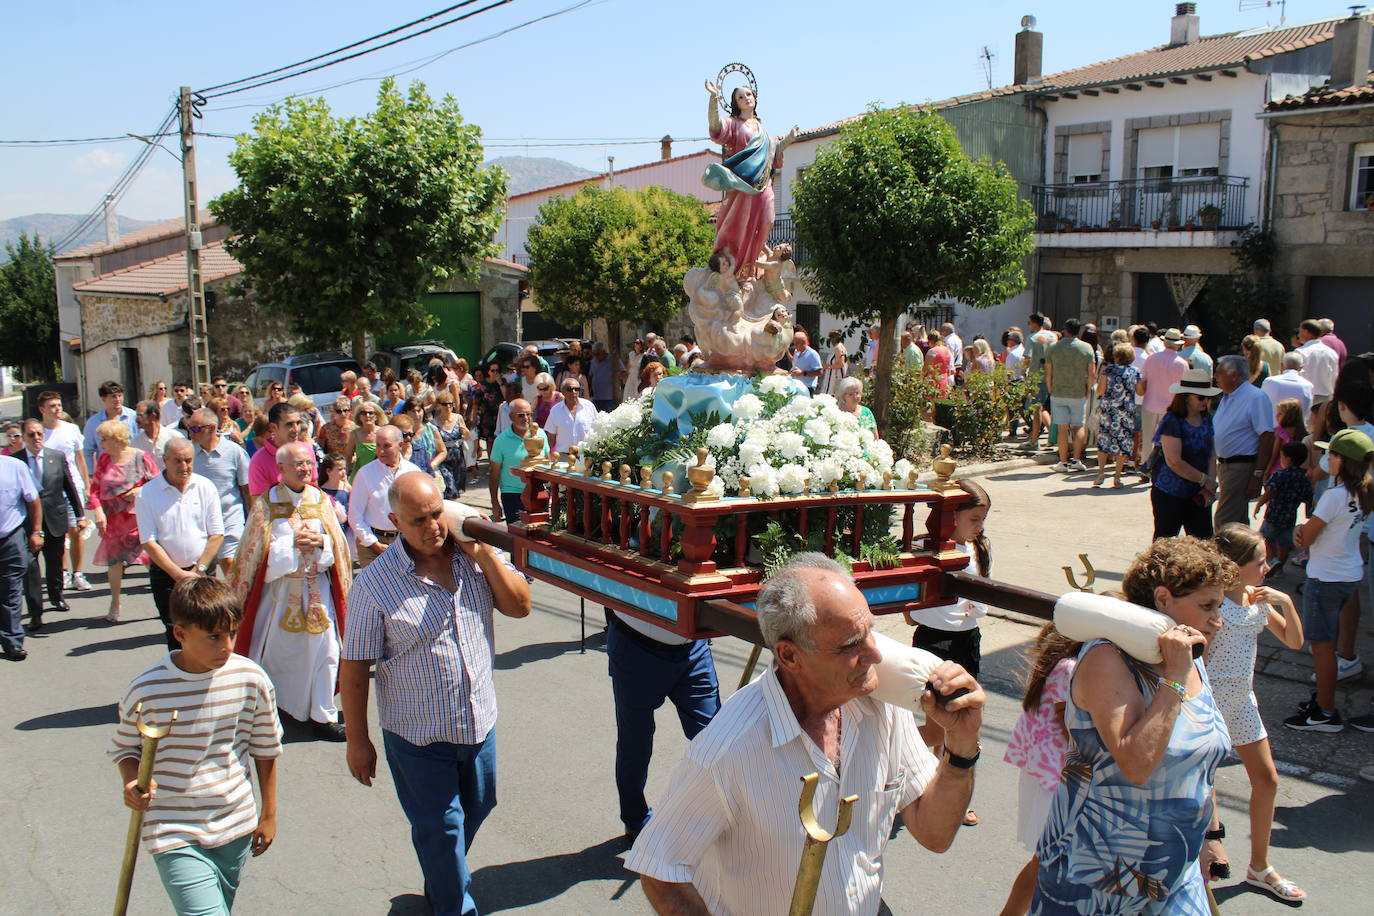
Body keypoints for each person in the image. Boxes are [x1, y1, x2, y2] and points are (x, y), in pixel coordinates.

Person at [627, 552, 984, 915]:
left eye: (870, 632)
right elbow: (660, 871)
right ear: (790, 656)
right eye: (850, 645)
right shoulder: (729, 750)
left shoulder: (880, 706)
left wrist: (962, 746)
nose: (874, 654)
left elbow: (934, 834)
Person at [341, 472, 530, 916]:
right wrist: (357, 739)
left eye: (436, 514)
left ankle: (441, 874)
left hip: (478, 725)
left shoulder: (473, 553)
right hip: (417, 738)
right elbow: (353, 670)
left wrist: (483, 554)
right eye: (418, 520)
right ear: (394, 522)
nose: (432, 527)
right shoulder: (375, 585)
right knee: (442, 830)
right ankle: (452, 901)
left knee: (477, 809)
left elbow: (520, 607)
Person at [1031, 536, 1232, 914]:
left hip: (1177, 871)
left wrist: (1212, 835)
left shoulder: (1187, 657)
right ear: (1163, 600)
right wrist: (1174, 676)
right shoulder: (1108, 660)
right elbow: (1136, 764)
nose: (1217, 620)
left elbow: (1201, 758)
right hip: (1097, 875)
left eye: (1219, 606)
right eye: (1207, 606)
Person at [109, 577, 281, 916]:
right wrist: (131, 781)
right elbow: (126, 748)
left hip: (235, 823)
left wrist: (269, 813)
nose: (227, 645)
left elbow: (266, 747)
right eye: (214, 636)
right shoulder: (147, 689)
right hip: (173, 826)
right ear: (181, 634)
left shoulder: (251, 678)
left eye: (232, 633)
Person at [1207, 524, 1307, 902]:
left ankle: (1259, 867)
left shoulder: (1258, 598)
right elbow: (1197, 659)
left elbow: (1295, 641)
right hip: (1212, 703)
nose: (1267, 568)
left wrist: (1286, 603)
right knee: (1202, 786)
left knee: (1267, 781)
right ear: (1234, 566)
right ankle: (1203, 863)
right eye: (1260, 562)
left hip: (1243, 702)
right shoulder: (1214, 604)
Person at [232, 442, 351, 742]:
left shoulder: (321, 500)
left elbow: (339, 547)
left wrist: (321, 545)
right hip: (280, 594)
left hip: (317, 590)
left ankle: (323, 715)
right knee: (275, 654)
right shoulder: (266, 504)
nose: (305, 470)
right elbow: (254, 555)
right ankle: (271, 710)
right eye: (297, 465)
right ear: (280, 469)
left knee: (328, 651)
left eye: (308, 464)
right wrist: (292, 546)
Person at [605, 595, 721, 845]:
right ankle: (635, 819)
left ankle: (711, 820)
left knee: (716, 740)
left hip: (692, 648)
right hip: (635, 647)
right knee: (635, 742)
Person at [1287, 428, 1374, 732]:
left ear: (1341, 461)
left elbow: (1307, 537)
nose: (1325, 458)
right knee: (1331, 644)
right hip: (1349, 574)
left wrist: (1300, 532)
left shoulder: (1334, 496)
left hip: (1325, 578)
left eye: (1329, 454)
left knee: (1323, 647)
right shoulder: (1364, 491)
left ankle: (1325, 712)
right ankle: (1323, 699)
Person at [999, 623, 1080, 916]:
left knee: (1044, 862)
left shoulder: (1067, 663)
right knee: (1049, 864)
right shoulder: (1072, 668)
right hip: (1057, 776)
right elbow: (1071, 728)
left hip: (1052, 773)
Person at [137, 439, 225, 650]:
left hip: (203, 571)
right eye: (177, 461)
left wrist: (198, 569)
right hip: (167, 576)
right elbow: (149, 541)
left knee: (207, 626)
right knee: (176, 631)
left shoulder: (205, 486)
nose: (183, 467)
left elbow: (216, 534)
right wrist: (178, 575)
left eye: (188, 460)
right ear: (165, 460)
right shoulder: (147, 493)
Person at [703, 79, 797, 274]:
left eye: (749, 94)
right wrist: (713, 99)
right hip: (743, 186)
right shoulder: (735, 125)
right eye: (740, 96)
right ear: (735, 104)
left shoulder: (764, 131)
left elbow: (772, 153)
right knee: (741, 226)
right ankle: (742, 269)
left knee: (767, 221)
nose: (746, 98)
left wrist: (788, 139)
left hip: (763, 185)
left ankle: (753, 262)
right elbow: (716, 126)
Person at [15, 420, 85, 633]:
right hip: (26, 524)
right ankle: (36, 613)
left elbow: (69, 486)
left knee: (55, 563)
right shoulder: (15, 461)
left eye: (39, 434)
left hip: (55, 517)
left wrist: (80, 514)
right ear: (24, 438)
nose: (35, 438)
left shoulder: (56, 456)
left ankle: (57, 596)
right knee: (30, 568)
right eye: (30, 435)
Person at [88, 420, 159, 623]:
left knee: (151, 560)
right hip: (113, 520)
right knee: (114, 562)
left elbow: (158, 484)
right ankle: (115, 602)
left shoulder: (140, 457)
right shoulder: (104, 460)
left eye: (104, 439)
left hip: (138, 518)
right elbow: (94, 490)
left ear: (118, 440)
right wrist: (99, 511)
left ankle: (164, 600)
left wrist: (140, 491)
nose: (101, 443)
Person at [1149, 369, 1220, 540]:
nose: (1206, 402)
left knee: (1203, 543)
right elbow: (1174, 461)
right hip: (1170, 492)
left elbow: (1211, 453)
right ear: (1187, 396)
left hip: (1197, 493)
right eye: (1201, 397)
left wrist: (1209, 483)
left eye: (1208, 397)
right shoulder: (1172, 420)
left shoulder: (1207, 418)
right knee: (1165, 544)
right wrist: (1205, 480)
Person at [1211, 355, 1277, 529]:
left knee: (1224, 521)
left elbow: (1267, 436)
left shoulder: (1255, 397)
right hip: (1227, 465)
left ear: (1234, 375)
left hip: (1241, 465)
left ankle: (1224, 554)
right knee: (1237, 521)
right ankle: (1244, 555)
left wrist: (1258, 474)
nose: (1215, 376)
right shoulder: (1228, 397)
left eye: (1220, 373)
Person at [37, 390, 91, 592]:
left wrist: (86, 485)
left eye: (59, 405)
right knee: (58, 533)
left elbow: (80, 458)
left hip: (73, 486)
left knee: (76, 530)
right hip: (51, 490)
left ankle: (78, 573)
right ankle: (64, 572)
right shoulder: (39, 432)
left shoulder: (71, 429)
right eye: (52, 406)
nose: (57, 409)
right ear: (42, 409)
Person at [188, 408, 252, 578]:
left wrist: (253, 520)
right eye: (189, 428)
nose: (190, 433)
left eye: (195, 429)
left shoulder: (234, 452)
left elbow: (246, 489)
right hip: (199, 522)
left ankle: (240, 601)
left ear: (210, 428)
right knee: (205, 573)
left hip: (230, 518)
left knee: (229, 563)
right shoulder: (189, 454)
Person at [348, 426, 419, 568]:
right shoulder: (365, 474)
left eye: (386, 446)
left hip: (406, 542)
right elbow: (355, 515)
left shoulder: (413, 472)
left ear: (400, 445)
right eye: (378, 445)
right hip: (371, 545)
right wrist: (373, 543)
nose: (380, 451)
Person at [0, 449, 41, 661]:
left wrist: (36, 531)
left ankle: (12, 641)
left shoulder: (15, 467)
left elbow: (33, 501)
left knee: (10, 590)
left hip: (10, 537)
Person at [1045, 318, 1095, 473]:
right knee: (1078, 426)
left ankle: (1062, 461)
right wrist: (1088, 389)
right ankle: (1077, 459)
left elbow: (1048, 372)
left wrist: (1050, 387)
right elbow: (1091, 373)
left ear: (1065, 329)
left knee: (1061, 428)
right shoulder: (1087, 348)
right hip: (1078, 391)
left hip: (1058, 391)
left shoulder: (1053, 347)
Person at [1088, 343, 1141, 489]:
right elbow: (1141, 391)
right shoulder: (1135, 372)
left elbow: (1100, 391)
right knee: (1123, 443)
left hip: (1109, 411)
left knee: (1104, 440)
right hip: (1126, 411)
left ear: (1116, 356)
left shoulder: (1108, 370)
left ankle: (1101, 472)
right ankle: (1117, 476)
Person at [1255, 441, 1313, 574]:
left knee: (1262, 538)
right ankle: (1280, 567)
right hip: (1290, 517)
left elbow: (1269, 492)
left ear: (1288, 459)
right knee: (1285, 544)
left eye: (1281, 456)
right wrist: (1308, 513)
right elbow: (1308, 497)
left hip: (1274, 515)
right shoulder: (1303, 479)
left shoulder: (1280, 475)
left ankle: (1273, 561)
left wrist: (1259, 504)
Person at [1138, 328, 1190, 470]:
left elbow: (1143, 381)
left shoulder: (1151, 359)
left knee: (1148, 437)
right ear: (1179, 344)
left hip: (1150, 403)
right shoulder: (1182, 363)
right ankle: (1163, 466)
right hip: (1170, 406)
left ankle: (1146, 465)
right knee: (1167, 440)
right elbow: (1184, 388)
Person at [489, 400, 547, 524]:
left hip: (539, 493)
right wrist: (494, 503)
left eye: (529, 414)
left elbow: (548, 463)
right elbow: (494, 474)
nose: (526, 418)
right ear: (511, 417)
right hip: (513, 495)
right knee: (518, 537)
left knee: (541, 536)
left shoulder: (541, 435)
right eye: (521, 415)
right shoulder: (501, 440)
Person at [248, 403, 313, 498]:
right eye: (289, 424)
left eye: (298, 423)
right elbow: (259, 504)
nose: (296, 429)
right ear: (273, 427)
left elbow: (314, 490)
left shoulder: (306, 450)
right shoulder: (258, 461)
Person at [81, 380, 138, 476]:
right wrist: (90, 473)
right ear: (103, 399)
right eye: (113, 397)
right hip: (107, 471)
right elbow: (87, 450)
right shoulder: (93, 422)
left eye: (120, 395)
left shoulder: (133, 417)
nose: (117, 399)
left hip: (132, 469)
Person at [1296, 319, 1339, 416]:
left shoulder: (1301, 352)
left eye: (1300, 331)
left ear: (1306, 332)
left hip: (1306, 396)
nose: (1298, 335)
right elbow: (1335, 378)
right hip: (1326, 398)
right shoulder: (1331, 353)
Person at [544, 378, 598, 454]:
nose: (574, 392)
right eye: (570, 389)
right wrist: (548, 455)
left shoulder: (589, 406)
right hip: (563, 457)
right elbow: (550, 436)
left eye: (577, 389)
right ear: (562, 392)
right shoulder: (555, 410)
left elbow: (597, 429)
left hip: (585, 456)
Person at [432, 394, 470, 499]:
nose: (448, 407)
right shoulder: (434, 422)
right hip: (444, 458)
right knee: (450, 486)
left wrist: (466, 432)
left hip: (458, 457)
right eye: (445, 404)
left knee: (457, 487)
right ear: (438, 406)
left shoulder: (458, 418)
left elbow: (467, 437)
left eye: (450, 404)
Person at [1261, 349, 1314, 418]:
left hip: (1270, 426)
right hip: (1296, 427)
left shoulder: (1269, 381)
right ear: (1301, 367)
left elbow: (1261, 405)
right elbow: (1307, 412)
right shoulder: (1308, 386)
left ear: (1281, 365)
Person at [131, 400, 182, 472]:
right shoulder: (135, 443)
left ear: (152, 416)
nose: (136, 419)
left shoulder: (175, 438)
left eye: (140, 416)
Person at [347, 400, 382, 480]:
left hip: (379, 474)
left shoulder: (382, 433)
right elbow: (348, 457)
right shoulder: (354, 434)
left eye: (371, 413)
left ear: (376, 416)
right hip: (361, 476)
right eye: (363, 413)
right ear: (359, 417)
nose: (367, 415)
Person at [588, 342, 618, 412]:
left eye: (598, 354)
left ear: (603, 351)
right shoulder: (593, 361)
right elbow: (591, 376)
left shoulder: (613, 360)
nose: (596, 356)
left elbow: (622, 372)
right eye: (594, 354)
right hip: (596, 397)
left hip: (609, 398)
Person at [923, 330, 953, 396]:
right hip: (944, 379)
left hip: (934, 381)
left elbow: (926, 369)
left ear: (930, 341)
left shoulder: (932, 351)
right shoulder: (947, 350)